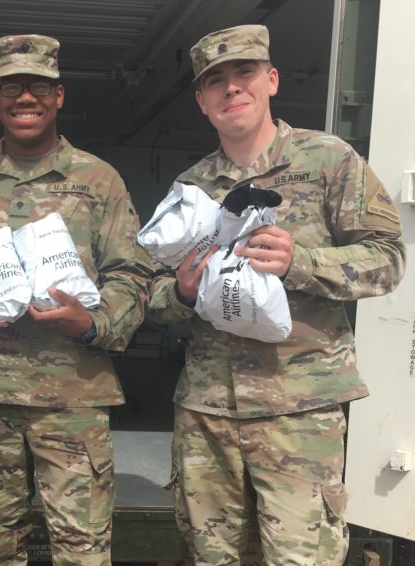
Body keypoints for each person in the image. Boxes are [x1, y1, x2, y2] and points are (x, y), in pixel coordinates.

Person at [147, 25, 405, 566]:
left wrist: (302, 263)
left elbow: (388, 259)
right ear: (201, 101)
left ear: (271, 80)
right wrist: (183, 294)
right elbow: (152, 293)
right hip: (208, 415)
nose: (231, 89)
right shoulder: (191, 188)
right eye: (214, 81)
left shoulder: (330, 161)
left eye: (244, 73)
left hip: (299, 413)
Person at [0, 34, 152, 566]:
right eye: (10, 87)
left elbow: (133, 273)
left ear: (59, 95)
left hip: (72, 394)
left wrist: (91, 322)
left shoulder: (98, 179)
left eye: (38, 86)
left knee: (83, 550)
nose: (25, 98)